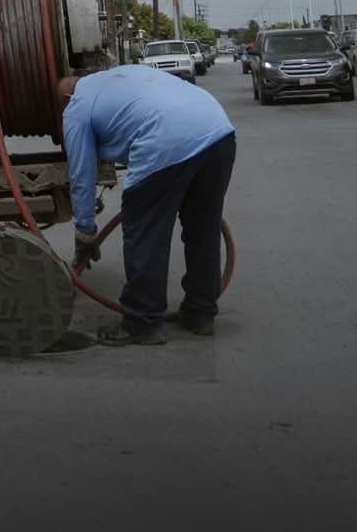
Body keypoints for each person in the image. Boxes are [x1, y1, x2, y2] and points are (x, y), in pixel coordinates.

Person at [57, 65, 238, 346]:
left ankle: (142, 321)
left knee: (146, 233)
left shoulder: (76, 107)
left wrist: (85, 231)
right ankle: (201, 314)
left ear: (67, 97)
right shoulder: (121, 76)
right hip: (218, 131)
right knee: (203, 229)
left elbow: (81, 175)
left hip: (167, 138)